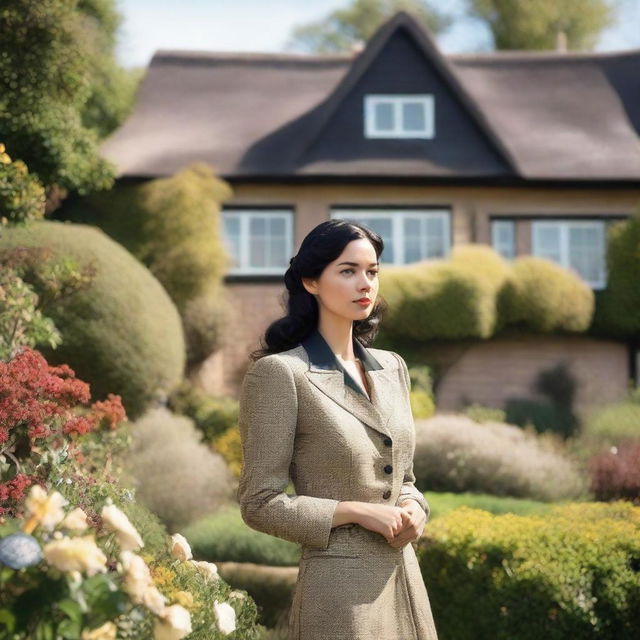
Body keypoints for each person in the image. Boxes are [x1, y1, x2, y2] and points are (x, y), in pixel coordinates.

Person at [237, 219, 439, 639]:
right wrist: (354, 512)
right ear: (311, 281)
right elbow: (259, 503)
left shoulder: (392, 368)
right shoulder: (281, 374)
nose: (364, 283)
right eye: (347, 271)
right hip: (339, 597)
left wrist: (416, 507)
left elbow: (404, 478)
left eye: (372, 271)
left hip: (405, 582)